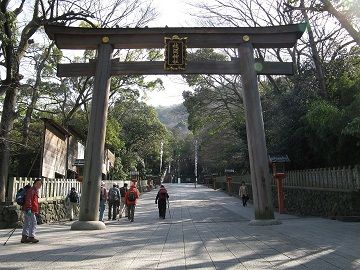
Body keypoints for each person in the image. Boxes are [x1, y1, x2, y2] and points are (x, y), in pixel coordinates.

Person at [21, 178, 42, 243]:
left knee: (27, 223)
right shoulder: (32, 190)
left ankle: (24, 237)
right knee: (33, 222)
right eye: (38, 183)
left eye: (40, 184)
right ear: (34, 183)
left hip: (28, 209)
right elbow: (29, 200)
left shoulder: (34, 190)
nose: (39, 185)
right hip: (29, 209)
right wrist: (29, 208)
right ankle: (31, 237)